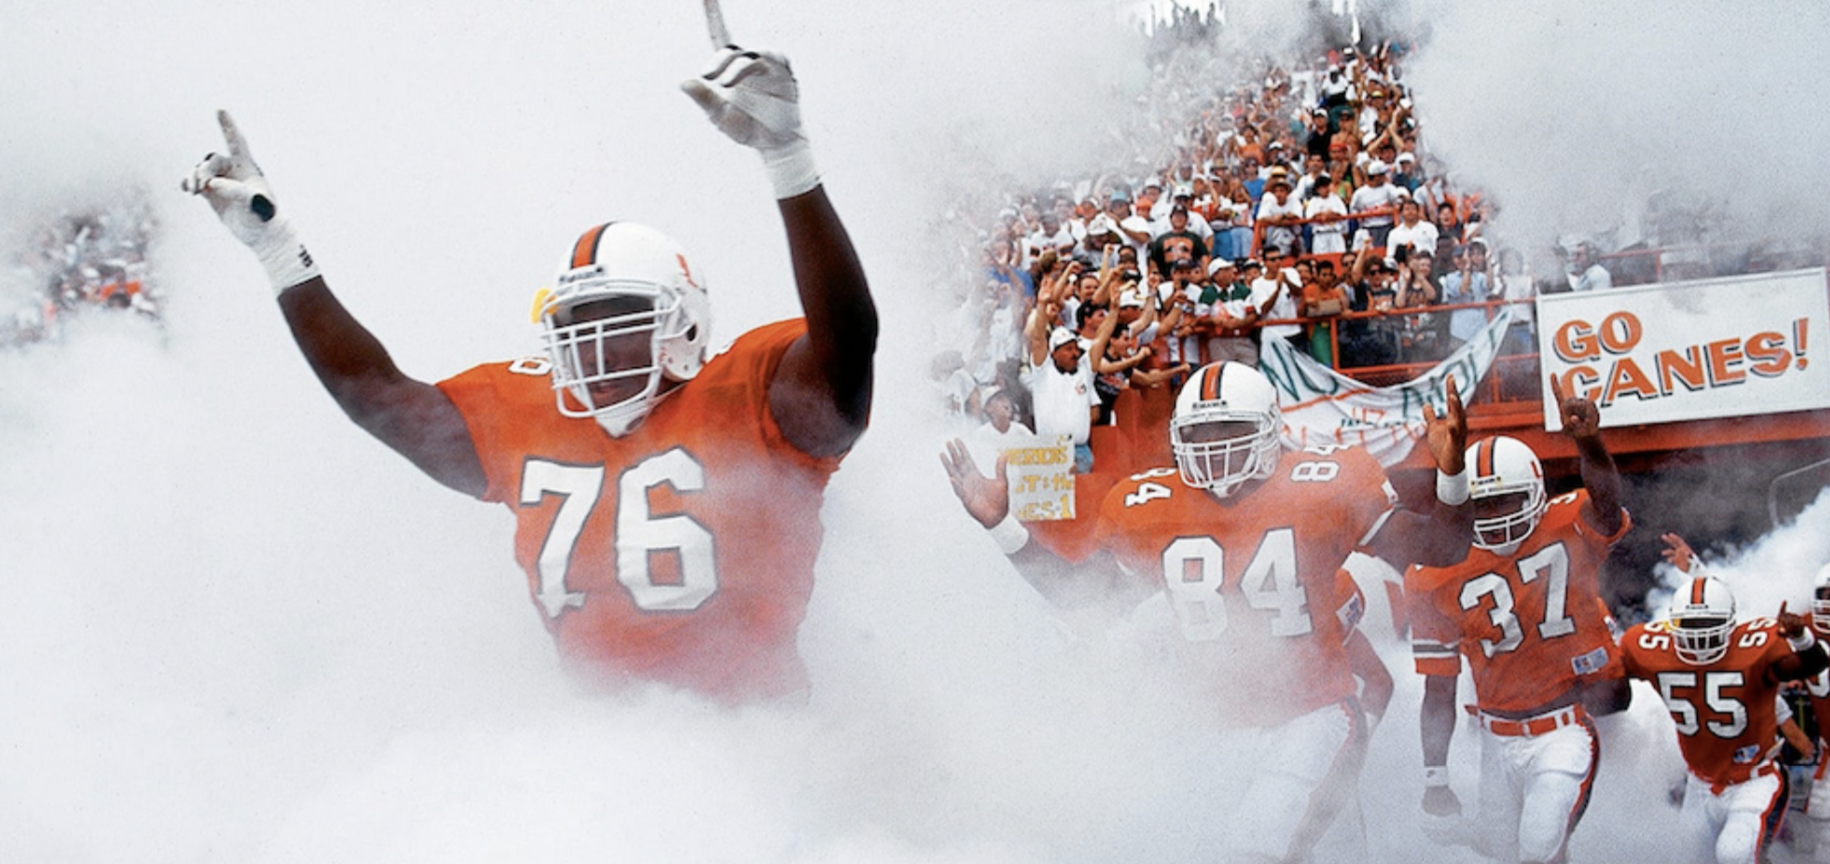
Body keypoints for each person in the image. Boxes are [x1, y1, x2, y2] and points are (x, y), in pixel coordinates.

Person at [181, 44, 877, 705]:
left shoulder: (753, 398)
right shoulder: (525, 412)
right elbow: (374, 394)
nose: (596, 355)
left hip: (765, 743)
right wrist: (278, 251)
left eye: (618, 327)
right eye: (576, 331)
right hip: (602, 751)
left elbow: (848, 345)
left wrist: (788, 160)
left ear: (682, 326)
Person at [942, 362, 1473, 863]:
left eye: (1229, 430)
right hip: (1214, 729)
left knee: (1255, 850)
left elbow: (1437, 548)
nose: (1214, 447)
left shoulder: (1326, 484)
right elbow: (1083, 596)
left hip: (1311, 715)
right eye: (1199, 434)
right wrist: (1002, 527)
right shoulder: (1147, 505)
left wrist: (1451, 480)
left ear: (1269, 429)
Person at [1404, 376, 1631, 864]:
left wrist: (1590, 443)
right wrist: (1435, 778)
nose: (1495, 516)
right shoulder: (1432, 574)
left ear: (1536, 492)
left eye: (1506, 500)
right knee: (1505, 853)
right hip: (1494, 739)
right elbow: (1438, 689)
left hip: (1562, 730)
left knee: (1538, 846)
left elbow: (1608, 510)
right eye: (1483, 504)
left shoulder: (1567, 523)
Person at [1621, 535, 1828, 864]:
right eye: (1691, 627)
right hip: (1700, 782)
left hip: (1753, 778)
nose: (1700, 637)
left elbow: (1806, 666)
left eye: (1709, 626)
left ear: (1732, 626)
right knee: (1687, 857)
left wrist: (1801, 639)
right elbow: (1609, 681)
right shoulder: (1650, 647)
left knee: (1735, 854)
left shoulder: (1753, 651)